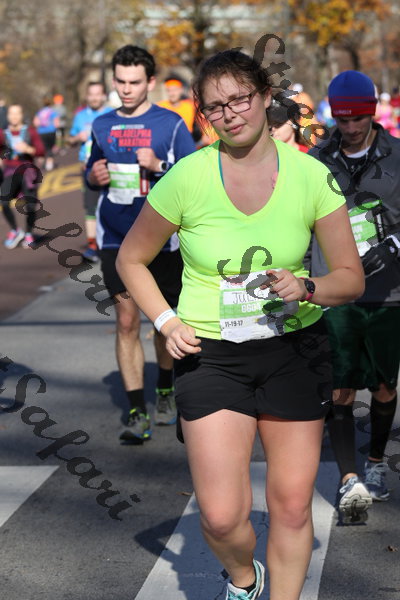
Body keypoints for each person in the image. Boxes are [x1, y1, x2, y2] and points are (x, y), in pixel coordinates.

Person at [116, 50, 364, 600]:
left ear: (264, 97)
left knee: (292, 505)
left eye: (240, 99)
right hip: (211, 355)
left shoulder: (311, 175)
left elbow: (350, 278)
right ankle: (244, 580)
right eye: (215, 107)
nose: (230, 114)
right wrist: (165, 320)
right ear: (203, 114)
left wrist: (308, 287)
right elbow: (131, 259)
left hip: (294, 350)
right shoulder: (187, 177)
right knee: (222, 517)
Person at [86, 45, 196, 443]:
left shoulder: (170, 124)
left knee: (164, 322)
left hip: (161, 240)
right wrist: (93, 176)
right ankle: (136, 411)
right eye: (120, 81)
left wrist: (159, 166)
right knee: (127, 320)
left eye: (134, 82)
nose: (126, 89)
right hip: (116, 238)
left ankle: (165, 388)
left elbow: (193, 176)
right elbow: (91, 170)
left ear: (150, 82)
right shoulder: (101, 124)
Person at [309, 70, 400, 524]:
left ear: (373, 113)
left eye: (358, 119)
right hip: (335, 290)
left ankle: (376, 461)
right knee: (340, 388)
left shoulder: (397, 156)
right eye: (342, 120)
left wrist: (394, 244)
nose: (349, 128)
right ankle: (349, 478)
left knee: (384, 386)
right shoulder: (316, 159)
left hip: (387, 293)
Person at [68, 82, 112, 262]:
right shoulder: (80, 116)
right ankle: (93, 245)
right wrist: (77, 138)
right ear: (87, 96)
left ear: (103, 96)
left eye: (97, 94)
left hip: (110, 166)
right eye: (91, 94)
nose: (94, 98)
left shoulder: (112, 114)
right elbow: (69, 140)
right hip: (87, 167)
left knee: (112, 203)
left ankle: (112, 242)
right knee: (91, 206)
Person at [0, 104, 45, 248]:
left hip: (27, 171)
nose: (14, 116)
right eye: (11, 113)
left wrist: (28, 149)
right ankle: (15, 230)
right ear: (7, 116)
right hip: (10, 171)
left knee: (31, 205)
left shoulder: (30, 131)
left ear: (21, 115)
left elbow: (40, 150)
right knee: (3, 200)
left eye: (17, 113)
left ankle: (28, 233)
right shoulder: (3, 133)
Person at [33, 97, 59, 171]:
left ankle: (40, 162)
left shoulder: (40, 112)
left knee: (43, 147)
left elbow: (35, 122)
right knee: (50, 147)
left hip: (41, 132)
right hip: (51, 131)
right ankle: (49, 164)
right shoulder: (52, 112)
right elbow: (56, 123)